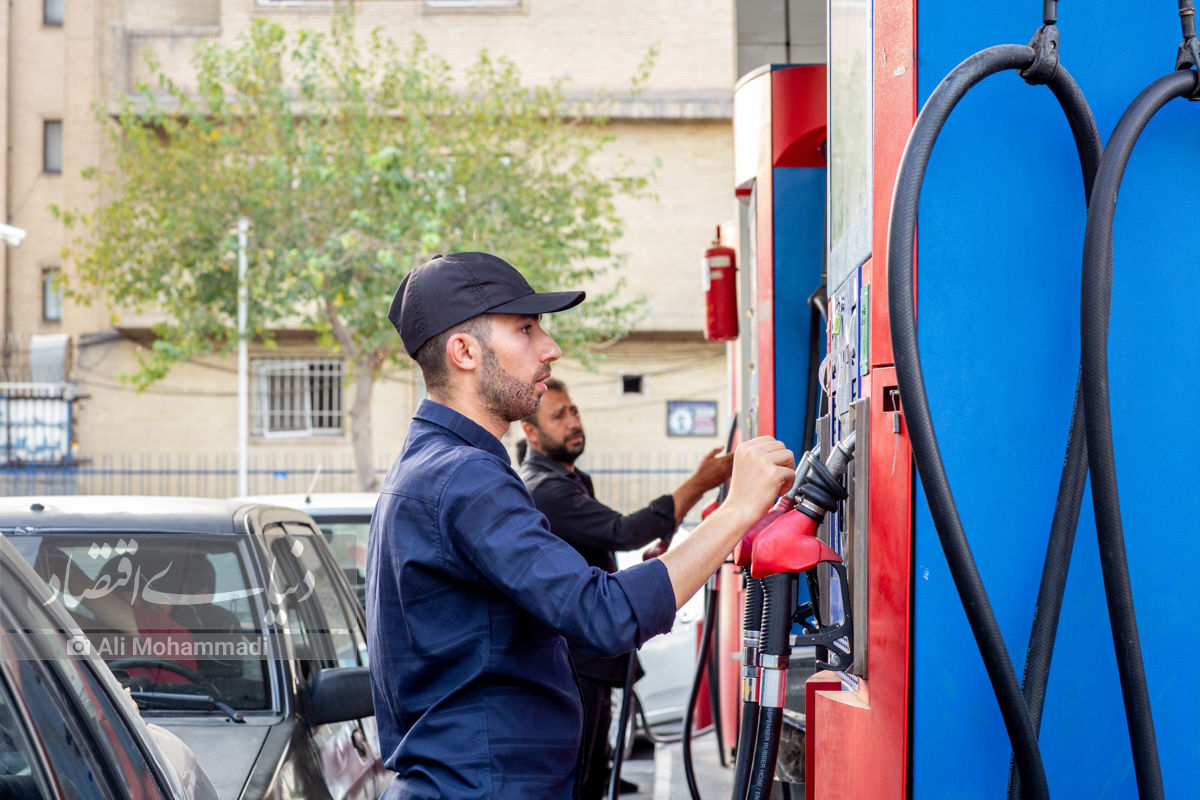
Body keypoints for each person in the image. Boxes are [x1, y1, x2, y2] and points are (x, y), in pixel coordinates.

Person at [366, 251, 794, 800]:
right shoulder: (464, 477)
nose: (550, 347)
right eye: (525, 328)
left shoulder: (430, 464)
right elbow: (605, 615)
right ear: (464, 351)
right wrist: (738, 510)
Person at [518, 378, 733, 799]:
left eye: (574, 410)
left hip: (591, 655)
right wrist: (699, 484)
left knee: (596, 769)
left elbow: (595, 556)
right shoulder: (547, 491)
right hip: (575, 660)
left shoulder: (574, 480)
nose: (573, 421)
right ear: (530, 432)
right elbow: (624, 530)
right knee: (582, 778)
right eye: (558, 416)